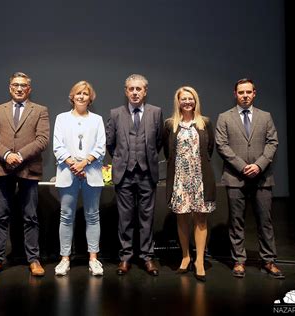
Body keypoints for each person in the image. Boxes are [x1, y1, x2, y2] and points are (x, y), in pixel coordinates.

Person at [0, 72, 50, 277]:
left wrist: (19, 155)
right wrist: (6, 154)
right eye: (15, 85)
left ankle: (33, 259)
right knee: (1, 216)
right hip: (3, 168)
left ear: (29, 89)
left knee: (30, 217)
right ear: (9, 87)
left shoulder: (40, 110)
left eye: (23, 85)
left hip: (28, 169)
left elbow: (43, 139)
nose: (19, 88)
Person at [216, 78, 284, 279]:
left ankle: (269, 260)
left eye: (248, 92)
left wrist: (259, 165)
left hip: (262, 177)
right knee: (236, 222)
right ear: (235, 94)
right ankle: (239, 261)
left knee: (266, 221)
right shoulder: (224, 117)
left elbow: (273, 142)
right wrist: (243, 166)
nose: (244, 96)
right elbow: (221, 145)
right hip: (235, 177)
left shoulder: (266, 117)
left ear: (254, 93)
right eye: (241, 92)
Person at [106, 74, 164, 276]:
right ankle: (125, 257)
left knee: (147, 218)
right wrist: (123, 159)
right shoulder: (115, 114)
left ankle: (147, 257)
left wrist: (144, 159)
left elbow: (158, 141)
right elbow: (110, 144)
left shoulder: (156, 113)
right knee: (125, 218)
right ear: (126, 91)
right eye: (131, 89)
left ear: (145, 91)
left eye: (139, 89)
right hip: (125, 174)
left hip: (147, 174)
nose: (135, 92)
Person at [52, 81, 106, 276]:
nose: (81, 96)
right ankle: (64, 259)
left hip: (91, 173)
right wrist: (72, 163)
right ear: (72, 96)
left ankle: (93, 259)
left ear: (90, 98)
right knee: (66, 217)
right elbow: (57, 145)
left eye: (85, 93)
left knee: (92, 216)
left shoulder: (97, 119)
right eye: (78, 93)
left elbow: (101, 146)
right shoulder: (61, 118)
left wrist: (84, 163)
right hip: (68, 173)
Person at [163, 86, 216, 282]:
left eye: (190, 98)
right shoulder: (170, 125)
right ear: (178, 102)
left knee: (201, 219)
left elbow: (209, 150)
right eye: (183, 99)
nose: (187, 102)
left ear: (195, 101)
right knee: (182, 219)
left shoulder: (205, 123)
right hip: (179, 180)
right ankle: (185, 257)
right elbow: (168, 152)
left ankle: (199, 260)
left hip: (200, 178)